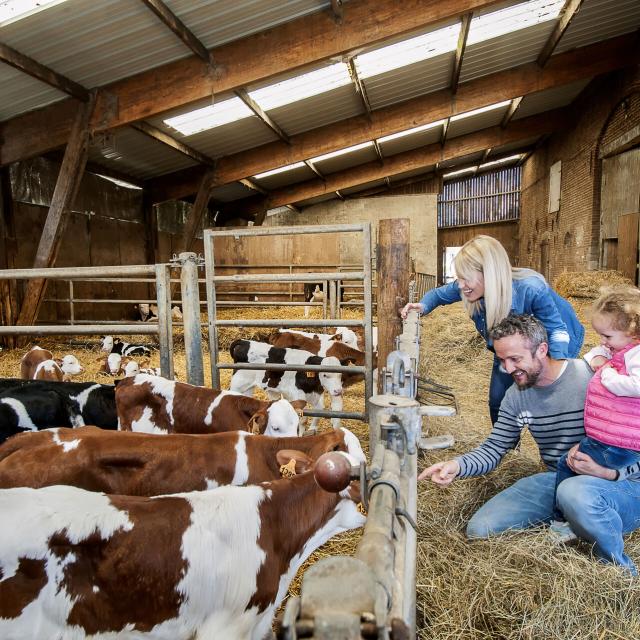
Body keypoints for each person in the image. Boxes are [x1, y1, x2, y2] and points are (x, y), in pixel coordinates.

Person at [421, 314, 640, 575]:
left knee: (575, 493)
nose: (508, 368)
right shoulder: (515, 397)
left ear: (542, 350)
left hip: (622, 483)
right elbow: (495, 448)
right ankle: (572, 519)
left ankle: (620, 572)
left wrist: (610, 473)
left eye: (516, 359)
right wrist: (457, 466)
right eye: (502, 360)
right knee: (481, 529)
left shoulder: (593, 378)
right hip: (557, 480)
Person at [401, 236, 584, 423]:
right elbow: (437, 294)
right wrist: (422, 306)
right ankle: (507, 449)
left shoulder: (530, 289)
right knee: (498, 400)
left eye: (466, 278)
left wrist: (560, 367)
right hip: (510, 345)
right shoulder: (468, 287)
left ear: (488, 273)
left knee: (547, 400)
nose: (461, 285)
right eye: (459, 278)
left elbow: (557, 331)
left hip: (552, 342)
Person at [551, 286, 640, 572]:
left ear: (633, 330)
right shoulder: (619, 350)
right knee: (564, 466)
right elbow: (594, 354)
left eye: (607, 336)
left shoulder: (634, 360)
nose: (602, 341)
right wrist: (599, 358)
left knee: (574, 489)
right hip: (604, 440)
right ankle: (564, 524)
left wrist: (609, 375)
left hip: (624, 454)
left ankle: (620, 568)